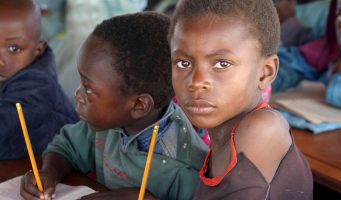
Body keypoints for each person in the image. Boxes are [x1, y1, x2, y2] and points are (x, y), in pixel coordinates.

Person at [20, 12, 209, 200]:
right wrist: (49, 173)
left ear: (138, 105)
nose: (77, 94)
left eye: (88, 88)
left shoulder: (186, 168)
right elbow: (67, 147)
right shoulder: (108, 125)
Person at [168, 0, 313, 199]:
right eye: (183, 63)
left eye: (222, 63)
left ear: (265, 73)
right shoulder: (224, 134)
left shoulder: (262, 129)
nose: (197, 81)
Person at [0, 0, 78, 160]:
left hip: (63, 172)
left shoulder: (38, 88)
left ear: (38, 50)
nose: (0, 60)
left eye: (14, 49)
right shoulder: (10, 71)